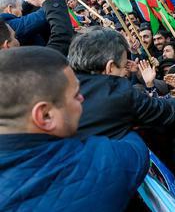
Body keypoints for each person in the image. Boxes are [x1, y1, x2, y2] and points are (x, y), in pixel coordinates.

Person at [0, 47, 149, 211]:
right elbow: (135, 150)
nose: (83, 98)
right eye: (75, 94)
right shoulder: (95, 164)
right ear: (46, 115)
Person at [68, 26, 175, 139]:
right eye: (123, 66)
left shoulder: (63, 82)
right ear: (110, 67)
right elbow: (163, 111)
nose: (125, 73)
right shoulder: (119, 94)